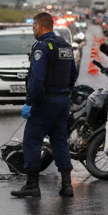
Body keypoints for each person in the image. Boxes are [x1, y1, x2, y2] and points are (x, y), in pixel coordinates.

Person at [13, 11, 78, 199]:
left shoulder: (42, 46)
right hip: (62, 101)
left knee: (32, 141)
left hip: (45, 102)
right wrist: (64, 92)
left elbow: (37, 78)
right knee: (59, 141)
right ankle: (67, 185)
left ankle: (32, 184)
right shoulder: (65, 46)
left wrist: (29, 102)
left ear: (41, 27)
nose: (33, 31)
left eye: (34, 27)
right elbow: (73, 74)